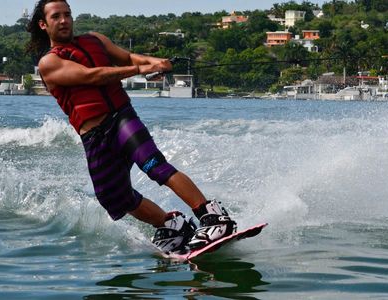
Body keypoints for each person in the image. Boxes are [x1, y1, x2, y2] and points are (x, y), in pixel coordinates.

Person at [27, 0, 235, 253]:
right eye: (56, 16)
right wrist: (141, 68)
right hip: (94, 138)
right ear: (43, 24)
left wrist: (156, 62)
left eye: (67, 14)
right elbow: (93, 75)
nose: (64, 20)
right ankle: (174, 226)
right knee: (114, 197)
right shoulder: (50, 63)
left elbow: (126, 57)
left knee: (155, 166)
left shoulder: (95, 39)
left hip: (121, 118)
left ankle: (211, 215)